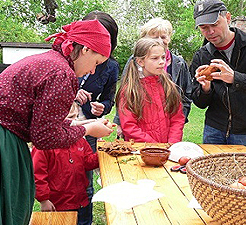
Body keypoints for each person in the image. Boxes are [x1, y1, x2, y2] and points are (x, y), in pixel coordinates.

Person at [0, 19, 114, 225]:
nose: (92, 71)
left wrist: (84, 124)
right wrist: (87, 129)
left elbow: (45, 123)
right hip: (4, 139)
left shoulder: (52, 61)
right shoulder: (62, 73)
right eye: (96, 63)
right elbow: (44, 137)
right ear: (86, 49)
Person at [190, 0, 246, 152]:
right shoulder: (201, 55)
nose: (210, 31)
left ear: (228, 17)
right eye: (204, 27)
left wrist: (235, 78)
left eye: (215, 24)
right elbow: (199, 103)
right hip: (214, 129)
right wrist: (205, 89)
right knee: (211, 173)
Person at [114, 18, 192, 138]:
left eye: (162, 57)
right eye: (155, 58)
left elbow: (177, 117)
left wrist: (172, 143)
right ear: (140, 61)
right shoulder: (130, 90)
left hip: (167, 148)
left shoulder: (169, 86)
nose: (161, 62)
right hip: (141, 150)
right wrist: (153, 148)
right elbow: (129, 125)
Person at [76, 12, 119, 219]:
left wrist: (101, 107)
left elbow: (109, 99)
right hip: (65, 122)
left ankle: (85, 221)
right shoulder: (70, 56)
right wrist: (73, 92)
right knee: (62, 176)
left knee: (85, 180)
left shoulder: (111, 66)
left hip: (90, 126)